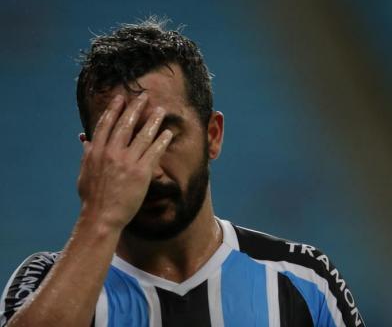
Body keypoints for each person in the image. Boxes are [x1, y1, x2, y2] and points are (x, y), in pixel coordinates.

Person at [0, 19, 365, 327]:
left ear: (212, 136)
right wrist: (100, 217)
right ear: (91, 155)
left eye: (166, 134)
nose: (150, 169)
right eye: (123, 141)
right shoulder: (47, 285)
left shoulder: (302, 281)